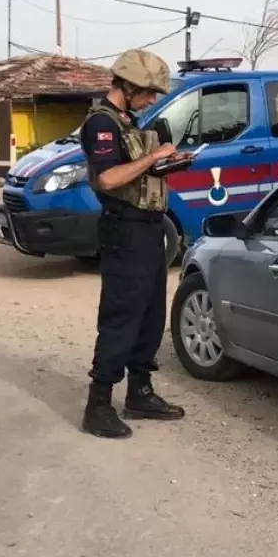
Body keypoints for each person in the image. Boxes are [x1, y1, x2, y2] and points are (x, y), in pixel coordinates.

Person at [78, 49, 188, 438]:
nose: (153, 99)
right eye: (148, 91)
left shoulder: (128, 120)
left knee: (150, 313)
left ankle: (140, 392)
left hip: (149, 227)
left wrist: (168, 162)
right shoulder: (101, 124)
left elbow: (137, 172)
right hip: (124, 230)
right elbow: (107, 179)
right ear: (126, 84)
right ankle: (98, 404)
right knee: (122, 315)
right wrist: (154, 157)